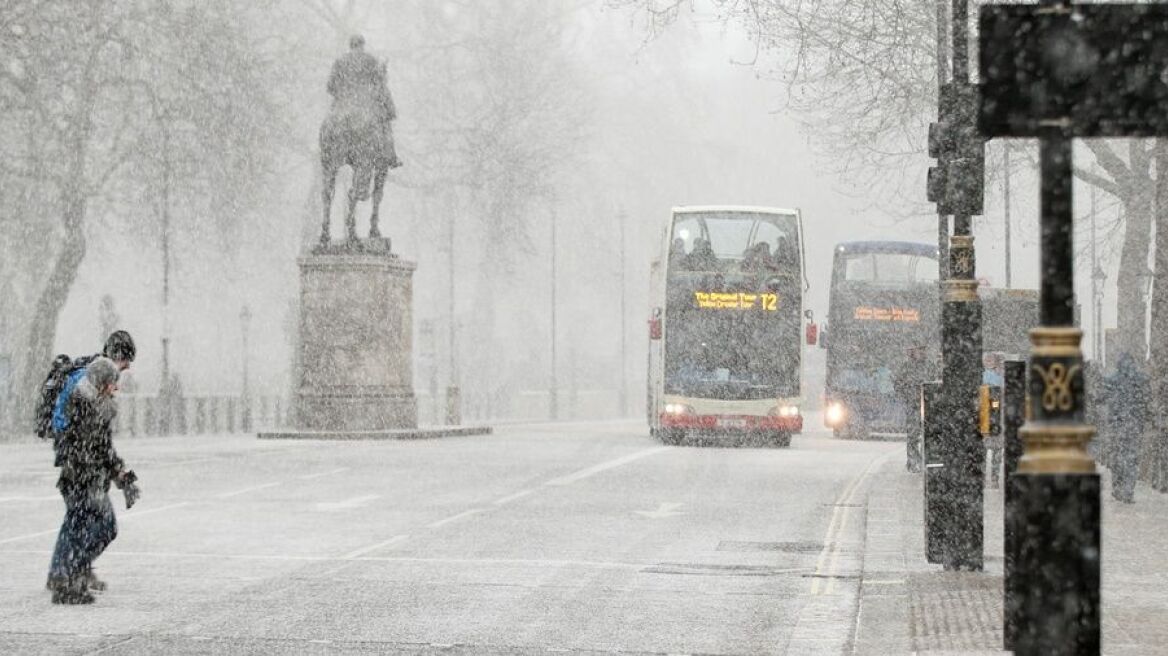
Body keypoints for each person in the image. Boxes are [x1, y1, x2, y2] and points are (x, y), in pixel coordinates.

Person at [46, 331, 135, 600]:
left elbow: (102, 445)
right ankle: (68, 573)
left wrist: (118, 473)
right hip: (79, 474)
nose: (118, 384)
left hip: (83, 473)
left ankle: (68, 573)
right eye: (126, 361)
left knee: (79, 522)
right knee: (89, 523)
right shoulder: (86, 397)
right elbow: (88, 443)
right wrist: (80, 463)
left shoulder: (98, 402)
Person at [327, 34, 401, 167]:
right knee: (385, 126)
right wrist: (390, 110)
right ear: (362, 45)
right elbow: (380, 86)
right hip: (365, 106)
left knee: (329, 123)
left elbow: (330, 86)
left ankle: (328, 152)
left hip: (342, 106)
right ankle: (391, 155)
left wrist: (342, 94)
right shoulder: (371, 60)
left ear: (350, 45)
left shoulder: (340, 61)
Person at [1106, 353, 1149, 503]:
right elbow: (1145, 400)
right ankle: (1128, 491)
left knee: (1117, 457)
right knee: (1131, 458)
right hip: (1134, 424)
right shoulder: (1140, 379)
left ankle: (1117, 489)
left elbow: (1104, 398)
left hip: (1118, 425)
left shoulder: (1112, 379)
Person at [893, 344, 933, 472]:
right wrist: (906, 394)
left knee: (928, 435)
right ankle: (912, 461)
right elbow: (897, 383)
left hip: (928, 405)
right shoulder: (906, 367)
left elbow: (936, 381)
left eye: (923, 350)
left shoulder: (930, 366)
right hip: (913, 404)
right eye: (919, 350)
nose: (921, 353)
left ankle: (924, 461)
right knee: (913, 435)